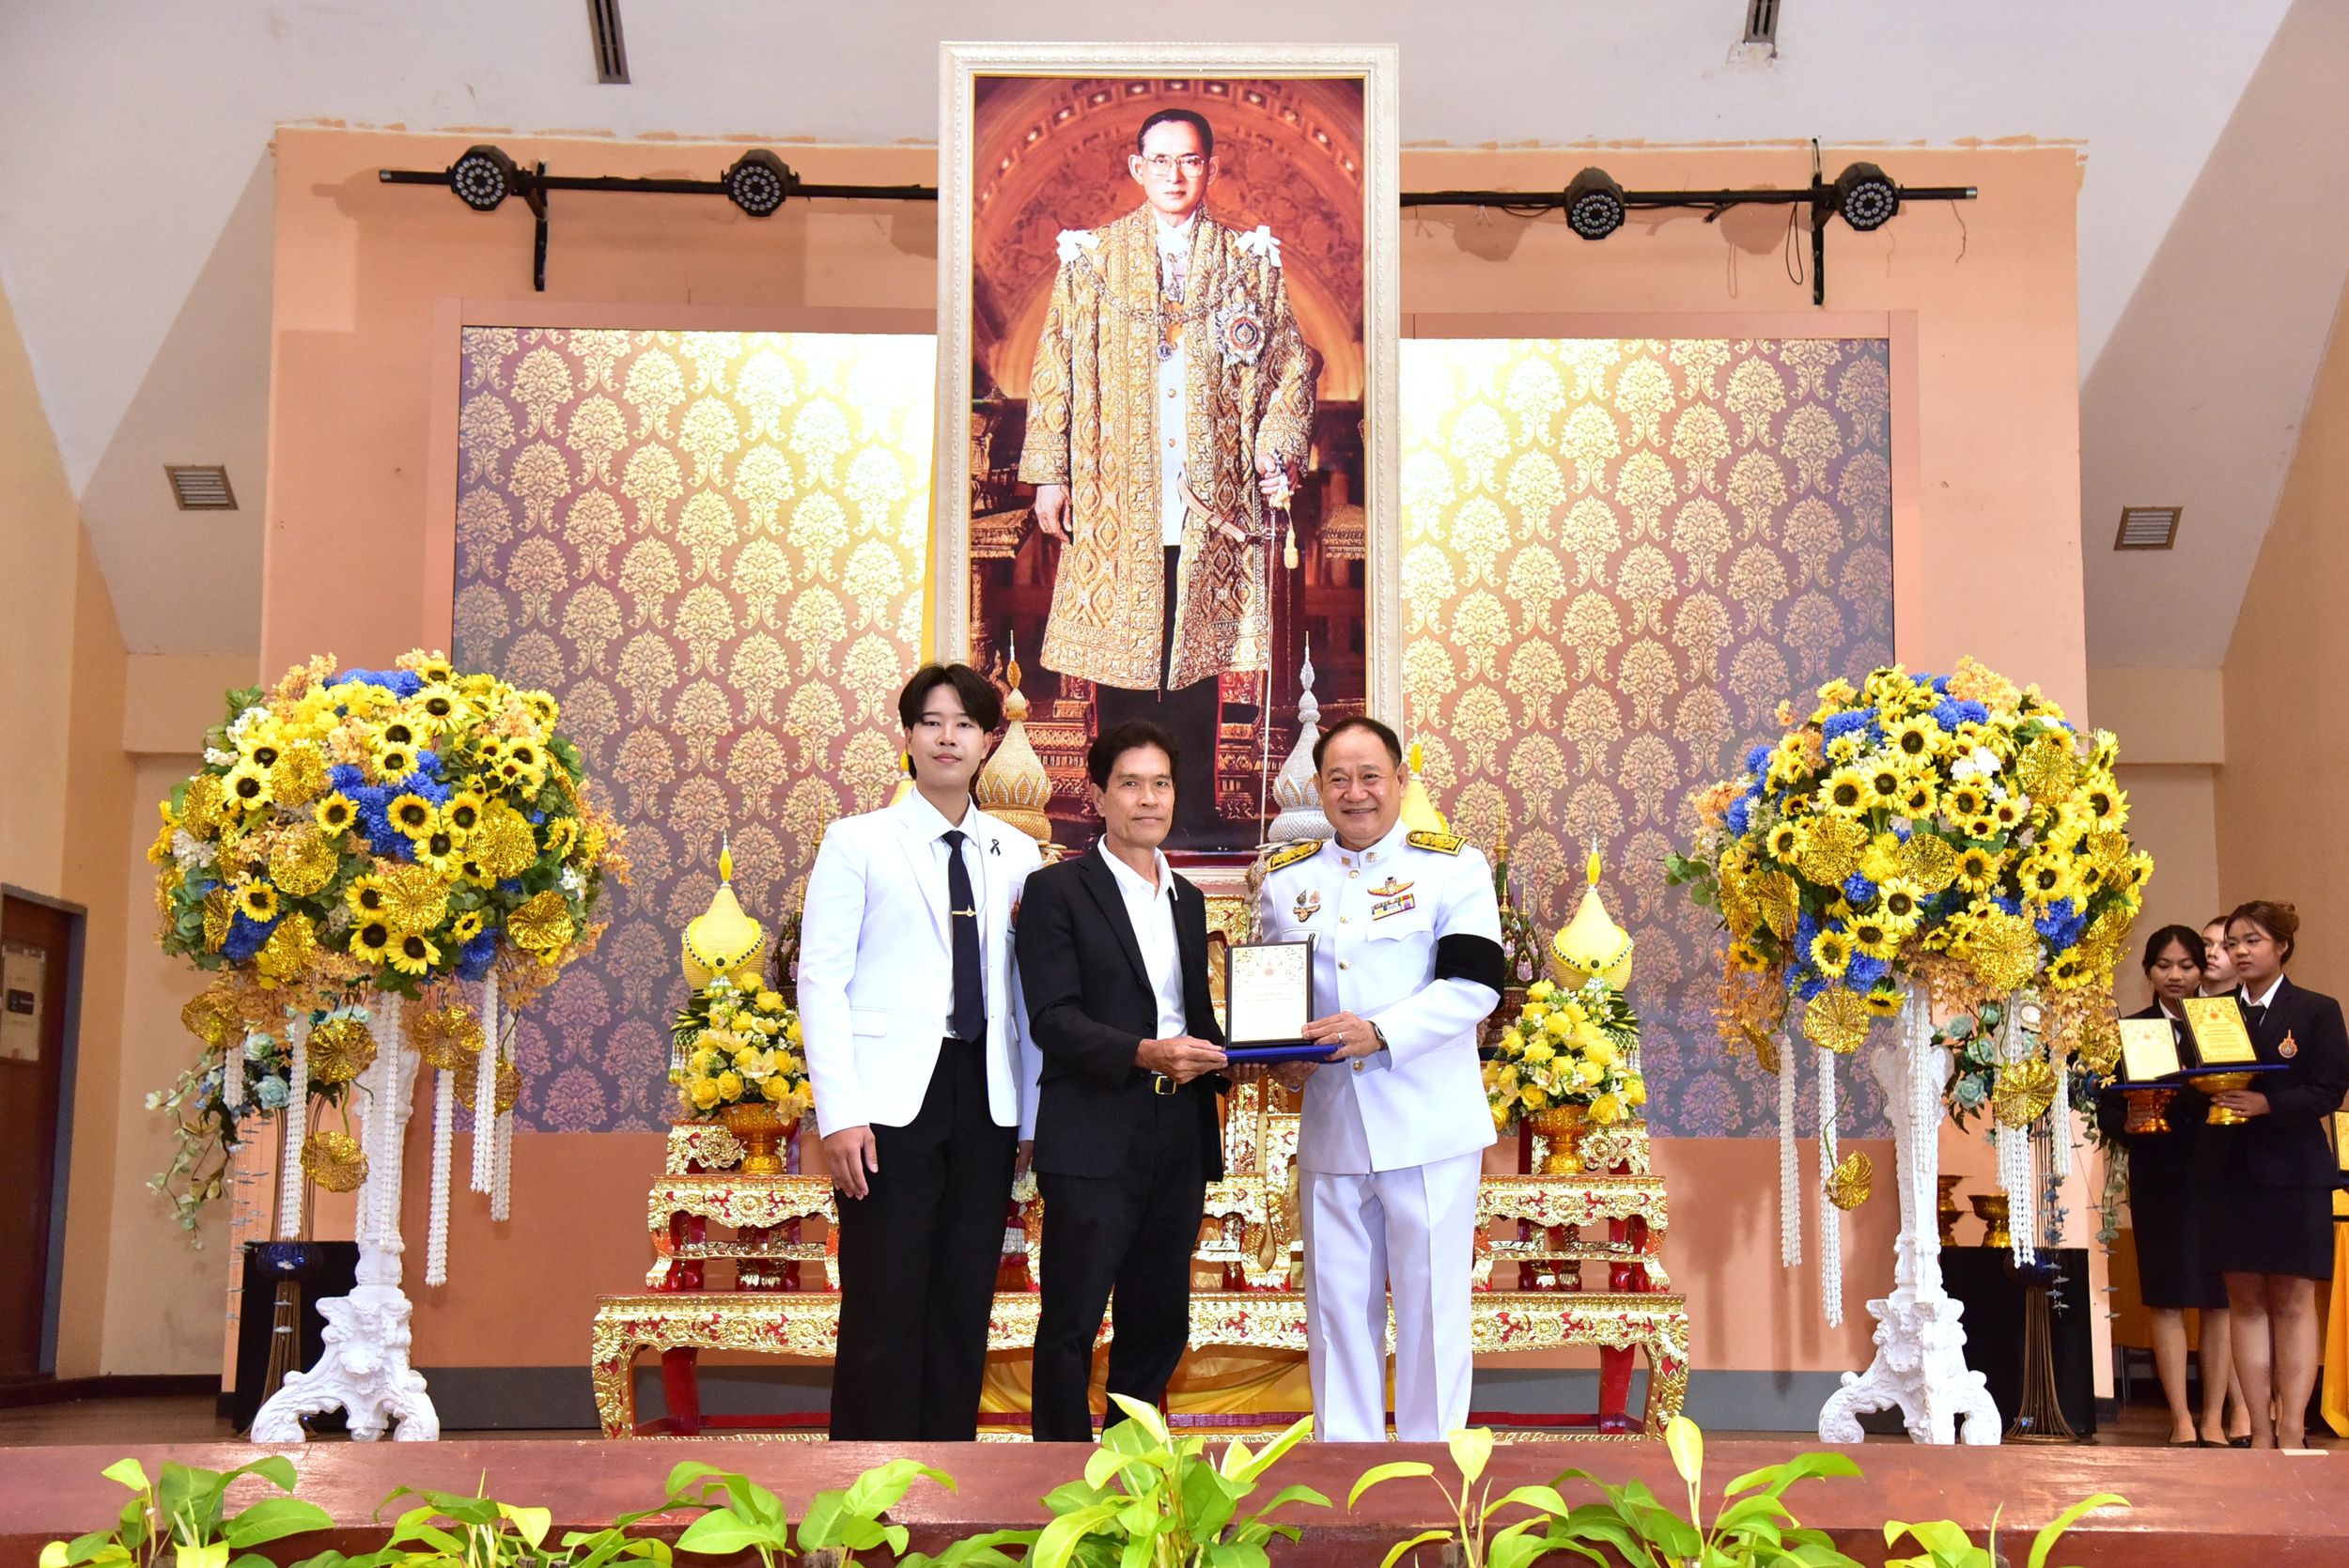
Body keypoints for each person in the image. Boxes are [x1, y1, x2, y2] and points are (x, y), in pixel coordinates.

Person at [1019, 106, 1316, 846]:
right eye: (1160, 160)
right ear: (1137, 167)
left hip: (1212, 498)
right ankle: (1121, 815)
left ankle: (1190, 814)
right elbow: (1054, 365)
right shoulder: (1092, 259)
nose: (1174, 174)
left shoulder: (1249, 260)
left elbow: (1289, 365)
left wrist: (1275, 448)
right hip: (1118, 492)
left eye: (1189, 160)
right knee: (1125, 660)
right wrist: (1050, 473)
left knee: (1194, 660)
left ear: (1210, 168)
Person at [799, 663, 1044, 1441]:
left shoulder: (1018, 854)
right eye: (932, 721)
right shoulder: (858, 841)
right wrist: (840, 1114)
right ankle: (865, 1487)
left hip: (986, 1097)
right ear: (907, 736)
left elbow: (1027, 996)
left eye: (965, 723)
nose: (947, 737)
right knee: (884, 1302)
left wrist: (1031, 1116)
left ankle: (947, 1480)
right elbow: (821, 981)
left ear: (986, 741)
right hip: (886, 1105)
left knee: (963, 1302)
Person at [1252, 716, 1506, 1440]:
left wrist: (1381, 1032)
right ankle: (1345, 1471)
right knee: (1336, 1314)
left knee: (1431, 1312)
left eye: (1370, 776)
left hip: (1427, 1126)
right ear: (1318, 787)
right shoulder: (1288, 881)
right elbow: (1276, 995)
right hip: (1333, 1127)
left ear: (1400, 779)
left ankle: (1435, 1476)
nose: (1355, 792)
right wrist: (1281, 1055)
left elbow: (1475, 985)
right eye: (1338, 778)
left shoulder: (1452, 868)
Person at [1015, 721, 1229, 1440]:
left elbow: (1195, 1019)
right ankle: (1059, 1474)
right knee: (1071, 1320)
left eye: (1161, 783)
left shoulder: (1188, 899)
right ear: (1098, 796)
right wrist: (1145, 1052)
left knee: (1159, 1317)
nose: (1148, 799)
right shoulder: (1056, 891)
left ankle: (1130, 1465)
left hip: (1179, 1133)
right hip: (1093, 1133)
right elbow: (1053, 1018)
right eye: (1130, 783)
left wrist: (1266, 1051)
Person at [2197, 900, 2349, 1449]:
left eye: (2252, 940)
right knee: (2245, 1302)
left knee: (2292, 1300)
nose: (2239, 951)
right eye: (2232, 943)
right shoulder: (2212, 1013)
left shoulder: (2316, 1009)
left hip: (2293, 1173)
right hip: (2230, 1171)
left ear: (2282, 946)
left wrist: (2267, 1104)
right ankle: (2259, 1431)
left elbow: (2330, 1088)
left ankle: (2292, 1429)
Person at [2096, 925, 2247, 1446]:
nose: (2176, 975)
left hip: (2221, 1173)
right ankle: (2181, 1418)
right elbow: (2107, 1104)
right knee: (2165, 1297)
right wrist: (2127, 1121)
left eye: (2186, 965)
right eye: (2164, 966)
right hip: (2159, 1175)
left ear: (2203, 969)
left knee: (2219, 1300)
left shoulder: (2223, 1021)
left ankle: (2215, 1417)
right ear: (2148, 972)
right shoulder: (2130, 1029)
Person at [2201, 914, 2240, 997]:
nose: (2212, 953)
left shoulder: (2251, 1003)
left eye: (2226, 948)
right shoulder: (2178, 999)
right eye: (2206, 945)